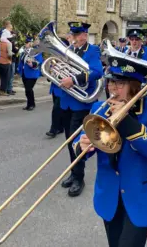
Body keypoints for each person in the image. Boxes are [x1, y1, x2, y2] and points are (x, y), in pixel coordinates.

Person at [73, 56, 147, 247]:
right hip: (109, 194)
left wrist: (126, 120)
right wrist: (82, 146)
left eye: (120, 83)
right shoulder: (99, 108)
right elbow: (78, 143)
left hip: (141, 194)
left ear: (134, 85)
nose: (112, 88)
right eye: (111, 82)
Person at [59, 21, 103, 197]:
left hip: (81, 103)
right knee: (69, 141)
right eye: (73, 34)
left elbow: (96, 72)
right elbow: (61, 69)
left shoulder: (92, 51)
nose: (74, 38)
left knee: (77, 142)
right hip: (66, 102)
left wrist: (74, 80)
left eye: (77, 35)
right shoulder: (69, 50)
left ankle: (79, 178)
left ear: (85, 35)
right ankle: (73, 172)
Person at [18, 36, 43, 111]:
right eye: (26, 42)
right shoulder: (24, 52)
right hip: (24, 73)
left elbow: (40, 61)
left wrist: (33, 64)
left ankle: (32, 104)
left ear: (31, 43)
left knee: (29, 89)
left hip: (32, 73)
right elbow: (21, 62)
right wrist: (19, 70)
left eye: (27, 43)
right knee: (27, 90)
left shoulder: (35, 51)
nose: (26, 44)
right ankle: (29, 104)